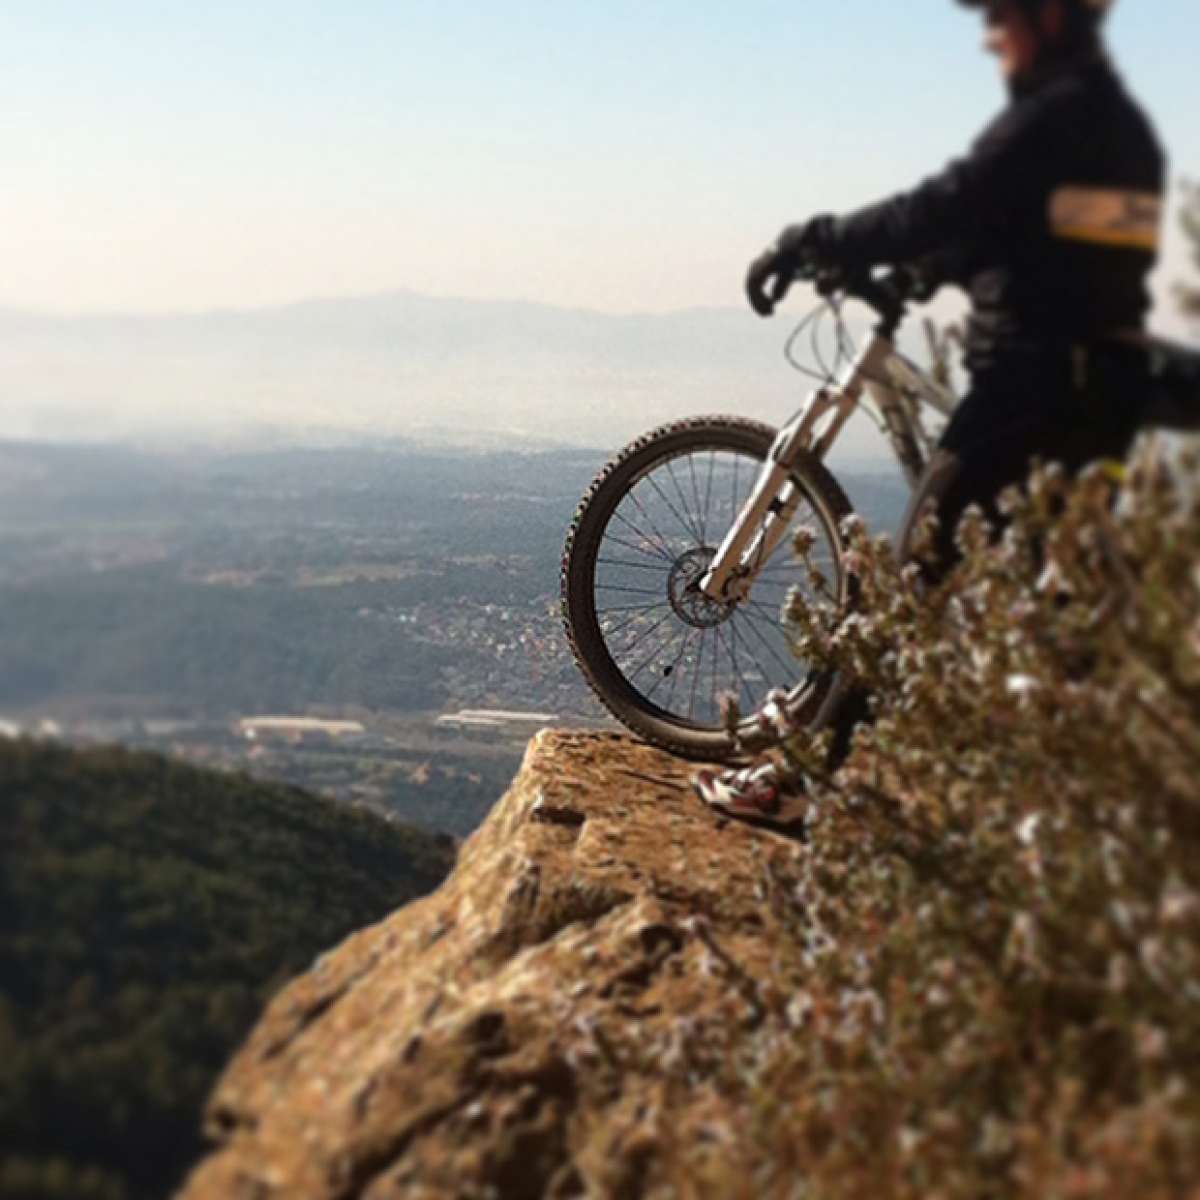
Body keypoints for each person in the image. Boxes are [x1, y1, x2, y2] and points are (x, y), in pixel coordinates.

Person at [693, 0, 1165, 827]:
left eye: (1005, 18)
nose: (993, 36)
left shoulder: (1057, 118)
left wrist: (814, 237)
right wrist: (928, 268)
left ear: (1050, 19)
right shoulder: (1119, 132)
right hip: (1097, 400)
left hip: (1030, 395)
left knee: (904, 581)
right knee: (1069, 613)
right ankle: (1101, 819)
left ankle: (795, 783)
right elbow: (1037, 236)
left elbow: (950, 203)